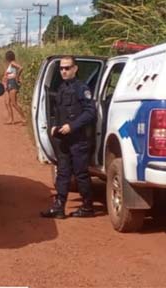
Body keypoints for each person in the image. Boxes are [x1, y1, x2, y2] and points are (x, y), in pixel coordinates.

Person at [40, 56, 96, 219]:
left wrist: (72, 126)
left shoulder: (81, 88)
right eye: (61, 68)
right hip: (63, 139)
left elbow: (90, 113)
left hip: (79, 139)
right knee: (63, 173)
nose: (64, 71)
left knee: (81, 174)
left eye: (67, 68)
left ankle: (87, 207)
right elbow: (58, 112)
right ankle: (59, 207)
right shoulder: (62, 88)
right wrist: (54, 127)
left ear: (75, 69)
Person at [2, 50, 26, 124]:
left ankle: (24, 118)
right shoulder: (10, 64)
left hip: (12, 83)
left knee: (14, 103)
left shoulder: (12, 63)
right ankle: (11, 119)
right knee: (7, 102)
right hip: (9, 83)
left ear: (7, 57)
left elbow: (21, 68)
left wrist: (17, 77)